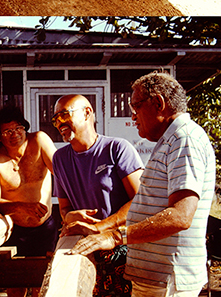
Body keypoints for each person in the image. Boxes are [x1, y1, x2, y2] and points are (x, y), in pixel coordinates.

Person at [70, 72, 216, 297]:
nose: (133, 116)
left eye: (135, 107)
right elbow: (147, 204)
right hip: (155, 277)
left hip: (168, 280)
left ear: (158, 103)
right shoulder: (170, 139)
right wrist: (101, 228)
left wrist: (116, 236)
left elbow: (181, 216)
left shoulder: (184, 139)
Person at [52, 94, 144, 296]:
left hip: (123, 247)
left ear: (87, 113)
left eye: (64, 115)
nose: (60, 123)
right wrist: (70, 217)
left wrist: (99, 227)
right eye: (55, 119)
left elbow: (141, 202)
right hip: (87, 250)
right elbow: (65, 208)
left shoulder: (117, 149)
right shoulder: (59, 158)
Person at [0, 105, 57, 297]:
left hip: (45, 228)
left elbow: (63, 173)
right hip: (14, 230)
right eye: (7, 131)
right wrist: (22, 207)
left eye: (18, 128)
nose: (14, 134)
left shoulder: (39, 141)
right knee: (15, 286)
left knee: (43, 284)